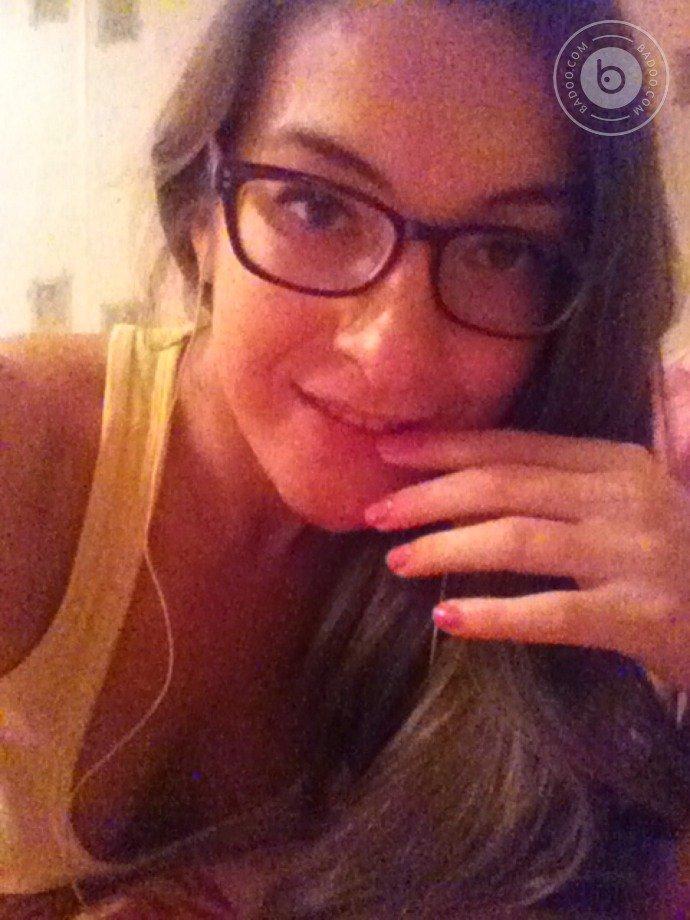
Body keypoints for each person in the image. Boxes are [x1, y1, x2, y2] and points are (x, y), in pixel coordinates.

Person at [1, 0, 689, 915]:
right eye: (317, 206)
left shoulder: (538, 568)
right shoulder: (26, 453)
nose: (391, 354)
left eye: (504, 252)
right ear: (202, 208)